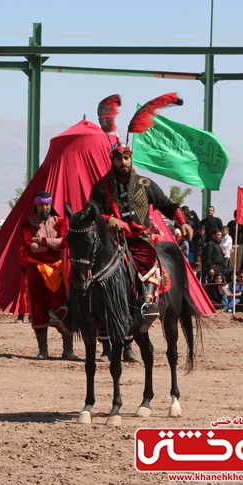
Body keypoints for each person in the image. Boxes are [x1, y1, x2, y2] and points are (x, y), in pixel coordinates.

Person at [54, 145, 192, 347]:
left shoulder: (145, 184)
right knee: (82, 263)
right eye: (119, 159)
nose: (123, 162)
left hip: (139, 238)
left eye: (126, 158)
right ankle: (70, 310)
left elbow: (167, 204)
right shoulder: (101, 187)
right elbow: (89, 213)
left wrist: (183, 222)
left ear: (130, 159)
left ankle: (147, 304)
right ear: (113, 161)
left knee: (145, 261)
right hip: (111, 240)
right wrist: (107, 218)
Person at [20, 191, 77, 360]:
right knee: (39, 308)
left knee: (62, 307)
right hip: (36, 270)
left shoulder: (59, 222)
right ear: (36, 206)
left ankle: (68, 350)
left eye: (47, 205)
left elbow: (66, 242)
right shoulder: (27, 224)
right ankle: (42, 350)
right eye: (40, 205)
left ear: (51, 205)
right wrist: (54, 244)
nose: (44, 208)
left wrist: (43, 241)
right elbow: (29, 247)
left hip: (56, 270)